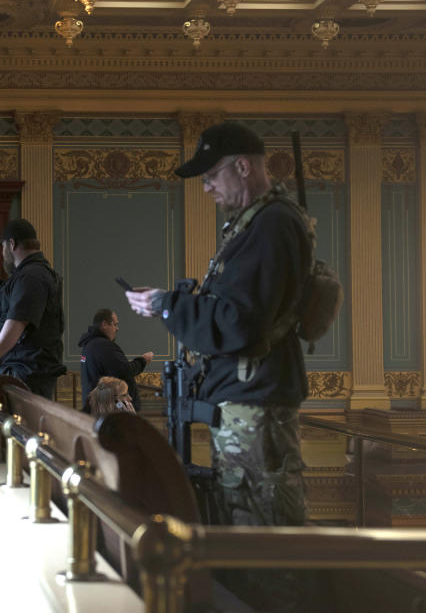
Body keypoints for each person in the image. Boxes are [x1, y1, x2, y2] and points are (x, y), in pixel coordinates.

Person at [124, 121, 312, 609]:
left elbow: (237, 324)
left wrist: (168, 305)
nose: (206, 188)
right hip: (246, 406)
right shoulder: (255, 223)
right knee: (245, 536)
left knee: (266, 547)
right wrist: (175, 301)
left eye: (211, 177)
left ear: (243, 167)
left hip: (258, 408)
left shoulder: (271, 225)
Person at [0, 218, 66, 399]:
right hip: (23, 373)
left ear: (11, 244)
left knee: (20, 427)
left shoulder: (32, 276)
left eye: (3, 247)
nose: (3, 254)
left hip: (26, 375)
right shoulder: (30, 275)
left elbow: (17, 322)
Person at [78, 308, 153, 412]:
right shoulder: (104, 346)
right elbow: (125, 371)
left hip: (97, 408)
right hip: (109, 410)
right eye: (115, 324)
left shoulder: (89, 345)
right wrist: (143, 360)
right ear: (104, 324)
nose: (117, 329)